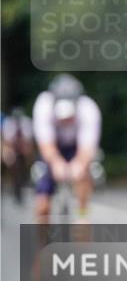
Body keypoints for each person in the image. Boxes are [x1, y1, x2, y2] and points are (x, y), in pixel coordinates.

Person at [32, 74, 102, 223]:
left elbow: (87, 147)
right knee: (42, 205)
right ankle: (41, 242)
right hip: (53, 147)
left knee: (83, 175)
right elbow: (46, 144)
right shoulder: (44, 104)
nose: (65, 120)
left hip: (76, 147)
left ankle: (83, 218)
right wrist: (56, 163)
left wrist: (79, 166)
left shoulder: (88, 108)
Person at [2, 106, 35, 204]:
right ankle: (10, 181)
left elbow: (29, 140)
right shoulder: (8, 123)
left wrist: (25, 150)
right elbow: (7, 141)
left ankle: (28, 175)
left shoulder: (26, 122)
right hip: (12, 147)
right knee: (10, 160)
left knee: (29, 155)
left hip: (24, 146)